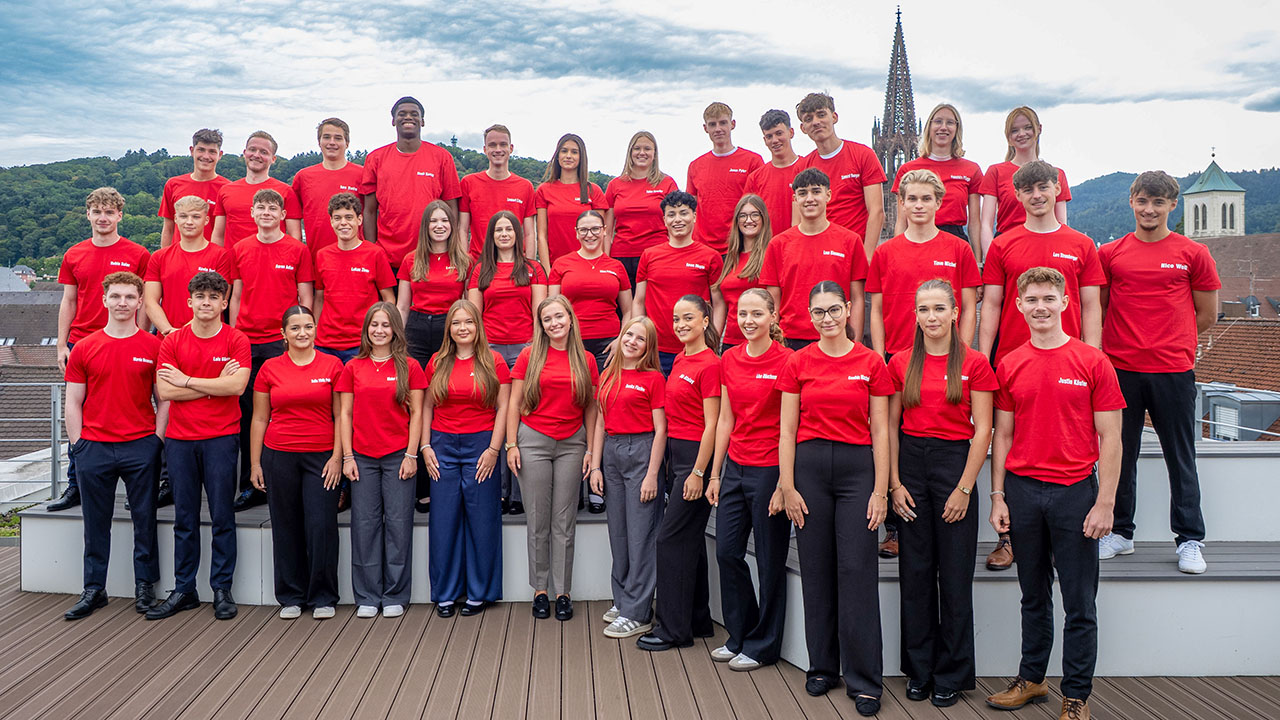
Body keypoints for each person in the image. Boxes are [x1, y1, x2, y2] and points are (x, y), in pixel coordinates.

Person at [985, 267, 1124, 720]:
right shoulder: (1010, 364)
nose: (1041, 306)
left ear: (1065, 303)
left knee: (1080, 602)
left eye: (1049, 298)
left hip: (1075, 494)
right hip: (1024, 492)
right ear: (1020, 306)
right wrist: (998, 495)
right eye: (1032, 300)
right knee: (1032, 594)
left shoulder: (1092, 361)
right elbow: (1000, 436)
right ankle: (1033, 679)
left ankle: (1077, 696)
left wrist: (1105, 502)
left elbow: (1112, 439)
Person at [772, 281, 891, 717]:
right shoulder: (797, 362)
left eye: (834, 309)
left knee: (857, 571)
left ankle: (864, 680)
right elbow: (786, 429)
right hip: (810, 469)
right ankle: (822, 665)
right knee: (817, 568)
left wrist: (881, 489)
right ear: (808, 315)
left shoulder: (871, 362)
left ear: (847, 311)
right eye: (818, 311)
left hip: (859, 470)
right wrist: (786, 484)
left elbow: (881, 430)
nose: (827, 318)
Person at [978, 161, 1102, 570]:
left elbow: (1089, 306)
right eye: (1027, 190)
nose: (1036, 195)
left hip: (1069, 364)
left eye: (1043, 188)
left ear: (1056, 190)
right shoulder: (1002, 244)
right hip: (1014, 361)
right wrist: (984, 357)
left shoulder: (1082, 244)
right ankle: (1009, 538)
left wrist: (1093, 360)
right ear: (1017, 196)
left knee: (1069, 440)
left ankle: (1067, 531)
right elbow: (992, 304)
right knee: (1010, 442)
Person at [1097, 171, 1220, 574]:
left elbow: (1207, 314)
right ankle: (1120, 533)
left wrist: (1170, 339)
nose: (1149, 209)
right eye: (1143, 201)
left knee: (1180, 457)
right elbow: (1097, 308)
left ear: (1172, 205)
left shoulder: (1193, 253)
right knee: (1120, 454)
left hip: (1173, 370)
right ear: (1131, 201)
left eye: (1159, 202)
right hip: (1121, 369)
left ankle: (1189, 540)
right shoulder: (1111, 253)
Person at [887, 279, 997, 707]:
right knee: (914, 575)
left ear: (955, 313)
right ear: (915, 315)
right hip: (911, 466)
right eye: (923, 309)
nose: (931, 317)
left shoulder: (975, 364)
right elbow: (891, 429)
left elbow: (983, 429)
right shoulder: (900, 363)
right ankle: (919, 670)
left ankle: (951, 672)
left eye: (938, 308)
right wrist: (895, 484)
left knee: (953, 578)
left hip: (956, 466)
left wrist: (965, 488)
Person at [62, 272, 167, 620]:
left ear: (141, 302)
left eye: (129, 297)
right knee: (95, 521)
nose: (122, 303)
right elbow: (73, 401)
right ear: (104, 300)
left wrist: (158, 440)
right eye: (116, 296)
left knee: (144, 520)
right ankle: (94, 589)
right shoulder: (86, 347)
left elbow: (163, 399)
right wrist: (79, 446)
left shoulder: (154, 347)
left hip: (141, 446)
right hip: (95, 447)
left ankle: (144, 587)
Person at [148, 271, 251, 622]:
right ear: (189, 301)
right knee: (185, 519)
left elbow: (237, 387)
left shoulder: (236, 339)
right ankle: (184, 589)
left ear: (225, 303)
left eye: (213, 297)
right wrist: (214, 385)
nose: (206, 302)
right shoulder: (173, 341)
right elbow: (166, 392)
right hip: (180, 440)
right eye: (200, 297)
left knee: (222, 515)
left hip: (221, 438)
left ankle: (222, 587)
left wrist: (189, 381)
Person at [705, 288, 792, 671]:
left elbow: (792, 427)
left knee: (771, 561)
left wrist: (783, 483)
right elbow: (725, 419)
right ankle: (740, 634)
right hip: (736, 468)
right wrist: (715, 472)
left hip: (771, 469)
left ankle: (764, 644)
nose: (748, 320)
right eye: (742, 313)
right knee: (727, 552)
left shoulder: (788, 360)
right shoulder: (729, 358)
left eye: (757, 313)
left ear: (773, 318)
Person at [51, 187, 150, 511]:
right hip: (82, 340)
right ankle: (75, 484)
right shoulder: (74, 253)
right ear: (88, 215)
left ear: (120, 215)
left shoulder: (137, 253)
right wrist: (61, 345)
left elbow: (147, 299)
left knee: (133, 404)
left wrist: (144, 334)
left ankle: (140, 482)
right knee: (78, 410)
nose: (103, 218)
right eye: (97, 212)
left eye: (109, 212)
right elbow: (68, 300)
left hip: (126, 339)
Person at [636, 296, 721, 653]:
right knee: (691, 543)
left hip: (695, 460)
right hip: (678, 456)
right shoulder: (681, 358)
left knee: (669, 541)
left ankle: (673, 630)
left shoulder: (710, 364)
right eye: (676, 318)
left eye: (689, 317)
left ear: (705, 321)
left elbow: (713, 424)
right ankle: (698, 619)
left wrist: (699, 472)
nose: (681, 324)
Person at [507, 296, 599, 622]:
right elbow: (514, 402)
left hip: (572, 443)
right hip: (532, 441)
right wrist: (510, 444)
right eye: (548, 319)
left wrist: (590, 449)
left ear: (570, 319)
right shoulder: (530, 355)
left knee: (564, 522)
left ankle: (563, 592)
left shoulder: (585, 358)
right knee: (537, 519)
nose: (554, 323)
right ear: (542, 326)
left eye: (559, 316)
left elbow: (591, 406)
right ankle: (540, 589)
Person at [248, 305, 344, 620]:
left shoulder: (333, 365)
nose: (302, 333)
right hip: (279, 455)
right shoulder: (269, 369)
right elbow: (260, 418)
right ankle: (291, 594)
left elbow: (341, 415)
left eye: (308, 326)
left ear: (316, 329)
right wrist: (255, 463)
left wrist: (338, 457)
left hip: (322, 457)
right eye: (295, 328)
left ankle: (324, 596)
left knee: (321, 527)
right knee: (286, 525)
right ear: (283, 334)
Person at [337, 302, 427, 619]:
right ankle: (367, 594)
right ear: (366, 330)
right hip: (362, 457)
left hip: (398, 457)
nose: (379, 330)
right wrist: (347, 457)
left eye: (386, 325)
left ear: (395, 330)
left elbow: (417, 413)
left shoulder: (410, 367)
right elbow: (345, 414)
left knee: (399, 527)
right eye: (374, 324)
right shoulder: (352, 368)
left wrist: (411, 454)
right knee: (365, 527)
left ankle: (394, 595)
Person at [422, 300, 511, 617]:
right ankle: (445, 592)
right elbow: (427, 407)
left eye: (469, 322)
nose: (463, 328)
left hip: (481, 446)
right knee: (443, 520)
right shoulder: (437, 362)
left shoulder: (494, 361)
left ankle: (480, 591)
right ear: (449, 328)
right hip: (442, 445)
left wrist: (493, 449)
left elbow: (504, 408)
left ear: (478, 326)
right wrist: (425, 446)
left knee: (482, 520)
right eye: (457, 323)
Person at [229, 189, 315, 511]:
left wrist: (300, 337)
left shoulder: (298, 250)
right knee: (249, 415)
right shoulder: (240, 249)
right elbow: (235, 298)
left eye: (272, 208)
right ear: (252, 213)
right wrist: (235, 336)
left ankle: (283, 482)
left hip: (283, 343)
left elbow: (305, 299)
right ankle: (251, 485)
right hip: (247, 341)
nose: (266, 212)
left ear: (282, 215)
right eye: (261, 207)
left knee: (283, 413)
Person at [588, 317, 666, 639]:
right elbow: (600, 422)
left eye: (641, 339)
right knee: (618, 534)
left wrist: (651, 475)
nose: (632, 341)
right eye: (629, 335)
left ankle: (638, 611)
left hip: (641, 451)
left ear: (648, 348)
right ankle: (622, 600)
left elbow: (661, 429)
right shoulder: (608, 375)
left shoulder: (653, 379)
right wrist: (594, 464)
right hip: (612, 454)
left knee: (640, 537)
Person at [469, 211, 549, 514]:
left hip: (525, 350)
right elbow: (475, 319)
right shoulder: (480, 271)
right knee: (496, 421)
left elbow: (539, 315)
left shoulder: (533, 269)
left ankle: (519, 494)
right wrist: (483, 354)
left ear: (518, 234)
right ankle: (500, 492)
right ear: (491, 236)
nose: (504, 234)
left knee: (522, 420)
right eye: (498, 229)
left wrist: (534, 349)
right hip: (491, 352)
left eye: (509, 229)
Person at [759, 169, 866, 351]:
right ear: (795, 199)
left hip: (837, 336)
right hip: (791, 339)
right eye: (802, 193)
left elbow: (857, 299)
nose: (810, 199)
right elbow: (773, 302)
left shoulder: (850, 241)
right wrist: (774, 343)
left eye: (816, 192)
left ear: (828, 195)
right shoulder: (778, 244)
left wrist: (855, 343)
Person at [360, 96, 463, 271]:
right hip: (388, 258)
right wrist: (372, 250)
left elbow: (452, 208)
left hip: (431, 255)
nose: (408, 117)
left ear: (422, 121)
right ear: (393, 121)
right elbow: (369, 211)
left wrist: (449, 248)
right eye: (402, 114)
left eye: (414, 114)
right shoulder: (375, 159)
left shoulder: (442, 157)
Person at [632, 191, 723, 374]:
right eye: (671, 214)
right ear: (664, 220)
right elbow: (639, 301)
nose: (677, 219)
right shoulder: (649, 255)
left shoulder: (710, 257)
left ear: (694, 216)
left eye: (683, 213)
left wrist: (712, 340)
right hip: (656, 349)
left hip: (695, 347)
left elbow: (719, 303)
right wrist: (641, 338)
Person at [795, 92, 886, 261]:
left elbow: (876, 211)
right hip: (817, 253)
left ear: (834, 117)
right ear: (803, 128)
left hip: (854, 253)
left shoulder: (863, 155)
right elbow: (798, 219)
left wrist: (867, 256)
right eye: (808, 119)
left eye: (821, 115)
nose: (816, 122)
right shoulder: (803, 166)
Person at [891, 104, 983, 257]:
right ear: (929, 127)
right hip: (916, 240)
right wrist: (896, 255)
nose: (943, 127)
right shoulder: (907, 170)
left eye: (950, 122)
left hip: (955, 242)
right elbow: (901, 221)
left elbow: (974, 223)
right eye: (938, 121)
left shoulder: (971, 169)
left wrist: (978, 260)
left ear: (957, 128)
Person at [978, 106, 1071, 258]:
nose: (1022, 134)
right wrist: (991, 259)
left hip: (1046, 247)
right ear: (1008, 137)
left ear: (1039, 129)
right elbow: (986, 225)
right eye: (1015, 130)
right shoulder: (995, 172)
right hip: (1007, 249)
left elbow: (1062, 224)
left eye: (1027, 128)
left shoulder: (1056, 174)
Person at [313, 193, 397, 362]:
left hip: (362, 342)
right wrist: (314, 331)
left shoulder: (375, 254)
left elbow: (389, 299)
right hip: (325, 343)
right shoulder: (322, 255)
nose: (343, 223)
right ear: (331, 221)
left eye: (349, 217)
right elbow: (320, 298)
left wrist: (379, 333)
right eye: (337, 218)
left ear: (359, 220)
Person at [549, 209, 632, 375]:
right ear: (576, 233)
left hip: (609, 344)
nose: (590, 235)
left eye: (595, 229)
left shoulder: (616, 266)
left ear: (604, 230)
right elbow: (552, 308)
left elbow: (629, 310)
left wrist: (621, 339)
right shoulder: (561, 264)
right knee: (575, 395)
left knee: (605, 395)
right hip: (572, 341)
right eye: (584, 230)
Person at [145, 196, 235, 336]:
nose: (189, 222)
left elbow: (219, 300)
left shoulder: (221, 256)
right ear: (175, 218)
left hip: (208, 337)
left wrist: (182, 333)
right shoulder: (159, 257)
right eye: (183, 216)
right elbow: (150, 302)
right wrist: (168, 331)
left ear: (206, 220)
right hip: (167, 338)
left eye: (195, 217)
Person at [397, 200, 470, 368]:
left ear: (451, 225)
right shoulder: (410, 260)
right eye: (433, 221)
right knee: (416, 381)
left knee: (447, 381)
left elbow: (469, 304)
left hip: (450, 325)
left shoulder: (464, 261)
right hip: (417, 327)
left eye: (444, 221)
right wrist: (397, 338)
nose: (439, 226)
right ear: (426, 226)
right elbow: (402, 306)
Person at [685, 102, 764, 254]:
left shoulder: (753, 161)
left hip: (741, 245)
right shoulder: (695, 166)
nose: (718, 129)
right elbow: (690, 208)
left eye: (723, 123)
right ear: (705, 128)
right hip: (704, 248)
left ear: (732, 124)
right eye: (712, 124)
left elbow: (760, 205)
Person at [604, 131, 680, 285]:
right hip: (621, 256)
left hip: (657, 255)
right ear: (630, 152)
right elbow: (607, 230)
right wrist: (605, 260)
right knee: (624, 308)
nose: (642, 153)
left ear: (654, 153)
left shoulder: (667, 183)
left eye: (647, 149)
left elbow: (677, 224)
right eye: (637, 148)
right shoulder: (615, 185)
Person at [291, 118, 365, 265]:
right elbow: (293, 220)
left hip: (356, 259)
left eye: (338, 138)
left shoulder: (362, 174)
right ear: (319, 142)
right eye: (326, 137)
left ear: (347, 143)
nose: (332, 142)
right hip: (315, 259)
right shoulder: (303, 177)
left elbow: (371, 215)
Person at [211, 131, 302, 250]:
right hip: (233, 264)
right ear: (244, 153)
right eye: (252, 150)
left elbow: (295, 236)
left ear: (273, 159)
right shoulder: (226, 190)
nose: (257, 155)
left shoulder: (285, 191)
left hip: (272, 262)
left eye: (264, 152)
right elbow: (218, 236)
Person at [460, 124, 536, 259]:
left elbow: (530, 234)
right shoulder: (468, 183)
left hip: (514, 266)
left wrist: (530, 268)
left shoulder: (525, 186)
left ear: (511, 148)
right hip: (479, 265)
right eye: (492, 145)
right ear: (485, 149)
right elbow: (462, 229)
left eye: (503, 144)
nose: (498, 149)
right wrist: (464, 263)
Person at [535, 133, 608, 269]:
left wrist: (599, 268)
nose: (568, 156)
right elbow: (542, 236)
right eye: (564, 151)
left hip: (587, 267)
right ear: (557, 156)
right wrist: (547, 272)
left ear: (581, 157)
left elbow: (601, 237)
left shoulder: (593, 191)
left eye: (574, 152)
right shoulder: (544, 190)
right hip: (556, 267)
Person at [712, 195, 773, 351]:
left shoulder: (770, 254)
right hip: (730, 341)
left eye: (754, 215)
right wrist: (713, 342)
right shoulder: (730, 258)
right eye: (743, 216)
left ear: (763, 218)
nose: (748, 220)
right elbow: (722, 305)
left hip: (760, 342)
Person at [158, 128, 228, 246]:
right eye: (201, 150)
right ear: (192, 150)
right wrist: (163, 259)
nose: (206, 156)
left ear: (220, 155)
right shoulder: (173, 184)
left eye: (212, 151)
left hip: (212, 261)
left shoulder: (227, 189)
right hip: (178, 259)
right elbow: (168, 228)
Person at [744, 109, 802, 232]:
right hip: (767, 248)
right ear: (765, 140)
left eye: (779, 133)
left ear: (791, 132)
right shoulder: (755, 178)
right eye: (769, 136)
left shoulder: (807, 169)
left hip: (801, 245)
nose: (775, 140)